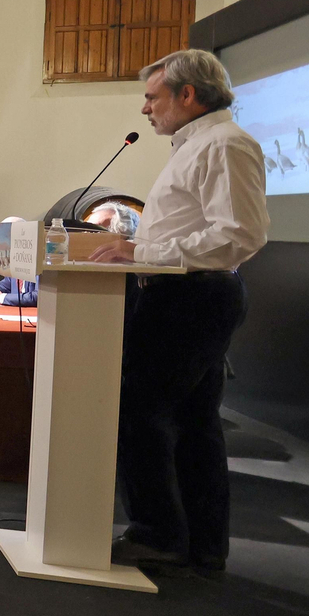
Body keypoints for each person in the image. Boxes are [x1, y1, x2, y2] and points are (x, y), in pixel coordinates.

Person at [84, 49, 267, 575]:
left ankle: (159, 533)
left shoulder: (226, 145)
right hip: (186, 293)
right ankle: (203, 544)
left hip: (195, 297)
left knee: (137, 411)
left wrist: (140, 251)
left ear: (188, 94)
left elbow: (240, 235)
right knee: (194, 423)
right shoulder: (198, 145)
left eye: (152, 96)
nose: (145, 109)